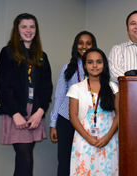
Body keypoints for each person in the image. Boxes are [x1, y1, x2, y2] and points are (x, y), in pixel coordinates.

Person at [0, 13, 53, 176]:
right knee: (26, 159)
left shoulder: (42, 56)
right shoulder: (7, 53)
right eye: (24, 27)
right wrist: (15, 114)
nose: (29, 30)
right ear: (17, 30)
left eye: (32, 26)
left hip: (35, 112)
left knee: (22, 162)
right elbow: (1, 86)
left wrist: (40, 112)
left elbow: (46, 87)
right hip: (16, 112)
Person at [49, 31, 97, 176]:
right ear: (76, 46)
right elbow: (59, 97)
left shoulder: (98, 67)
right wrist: (53, 124)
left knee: (86, 159)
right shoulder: (67, 68)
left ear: (93, 46)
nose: (84, 46)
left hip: (88, 120)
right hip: (67, 120)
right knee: (65, 161)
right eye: (80, 43)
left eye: (88, 43)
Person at [67, 47, 119, 175]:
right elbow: (73, 116)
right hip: (85, 139)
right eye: (90, 62)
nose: (94, 65)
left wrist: (108, 137)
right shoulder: (76, 88)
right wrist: (88, 138)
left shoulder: (112, 87)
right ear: (85, 65)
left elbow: (120, 114)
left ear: (104, 64)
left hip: (108, 139)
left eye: (99, 62)